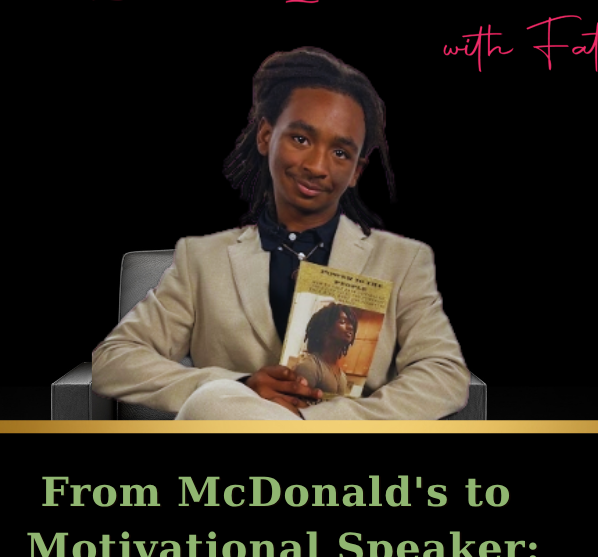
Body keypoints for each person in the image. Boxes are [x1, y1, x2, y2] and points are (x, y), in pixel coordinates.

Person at [92, 47, 469, 420]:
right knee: (212, 402)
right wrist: (238, 386)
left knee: (210, 405)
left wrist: (316, 423)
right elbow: (114, 360)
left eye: (340, 152)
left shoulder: (404, 261)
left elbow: (445, 374)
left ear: (357, 171)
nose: (318, 166)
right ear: (266, 136)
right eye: (301, 139)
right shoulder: (201, 259)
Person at [293, 303, 359, 397]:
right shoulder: (310, 367)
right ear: (326, 328)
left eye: (351, 323)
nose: (350, 327)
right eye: (343, 321)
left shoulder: (342, 376)